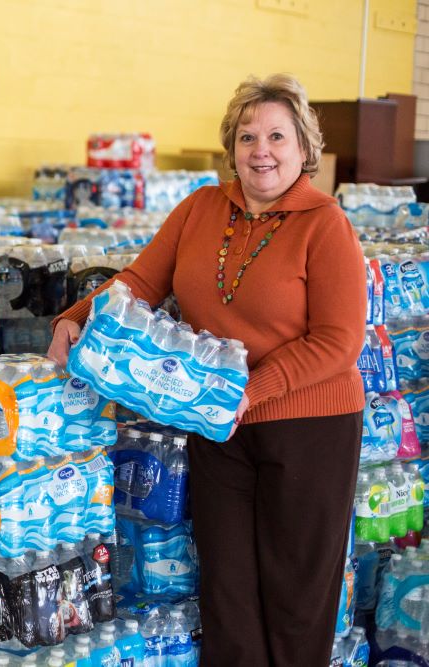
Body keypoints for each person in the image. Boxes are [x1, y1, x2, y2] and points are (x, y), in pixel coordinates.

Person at [48, 74, 366, 666]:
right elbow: (140, 283)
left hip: (309, 427)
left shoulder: (326, 225)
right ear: (232, 148)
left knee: (296, 594)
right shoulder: (201, 208)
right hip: (215, 423)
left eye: (277, 136)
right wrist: (76, 317)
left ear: (304, 150)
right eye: (247, 137)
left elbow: (338, 341)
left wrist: (253, 391)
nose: (261, 150)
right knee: (228, 588)